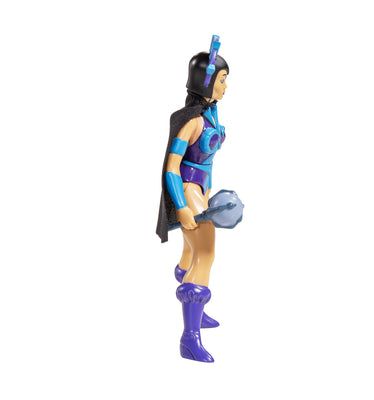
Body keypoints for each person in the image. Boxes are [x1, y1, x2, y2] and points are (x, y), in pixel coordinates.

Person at [156, 36, 229, 362]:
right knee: (205, 252)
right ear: (207, 81)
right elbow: (172, 167)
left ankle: (196, 311)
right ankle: (190, 337)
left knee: (190, 253)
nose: (225, 86)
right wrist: (183, 207)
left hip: (203, 190)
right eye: (222, 80)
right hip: (188, 190)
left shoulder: (210, 115)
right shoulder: (192, 120)